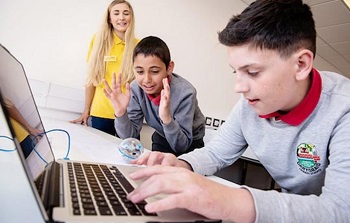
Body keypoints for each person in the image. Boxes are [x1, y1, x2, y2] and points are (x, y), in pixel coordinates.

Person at [125, 0, 350, 222]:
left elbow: (341, 209)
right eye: (236, 72)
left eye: (252, 72)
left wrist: (224, 199)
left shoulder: (343, 108)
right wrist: (181, 164)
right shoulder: (249, 105)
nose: (239, 87)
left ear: (301, 64)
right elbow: (215, 153)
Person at [103, 36, 206, 156]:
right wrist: (121, 113)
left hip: (190, 143)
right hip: (162, 136)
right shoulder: (136, 89)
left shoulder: (185, 93)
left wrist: (166, 118)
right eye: (140, 72)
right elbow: (129, 138)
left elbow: (181, 146)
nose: (147, 80)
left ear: (169, 68)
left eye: (155, 71)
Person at [70, 0, 138, 136]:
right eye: (116, 13)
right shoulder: (98, 41)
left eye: (126, 13)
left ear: (131, 18)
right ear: (109, 18)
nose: (121, 17)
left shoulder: (139, 45)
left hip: (128, 116)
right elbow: (91, 79)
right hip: (100, 114)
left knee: (129, 157)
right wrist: (86, 110)